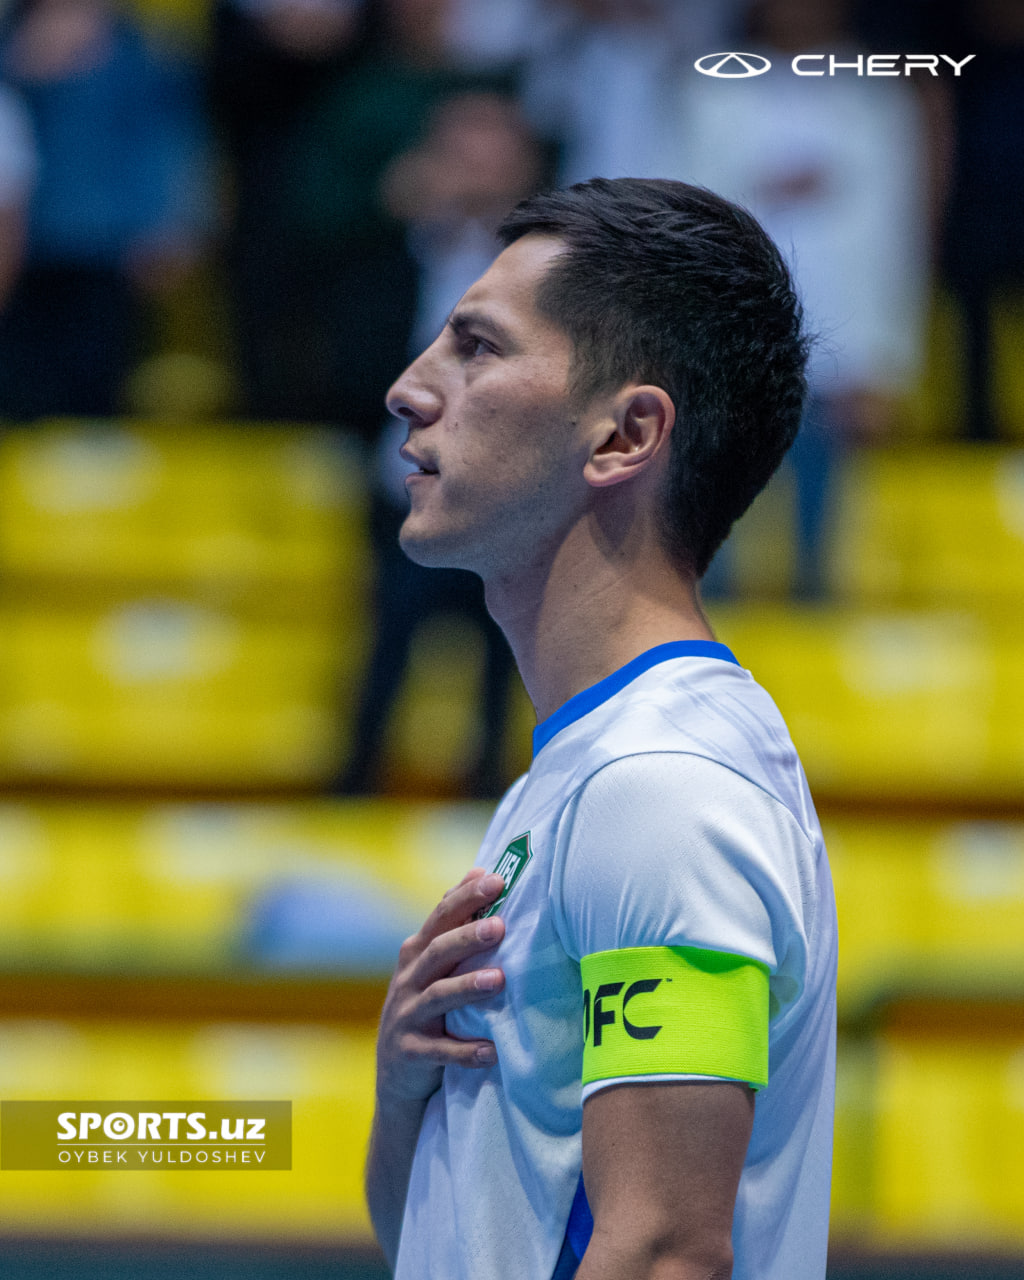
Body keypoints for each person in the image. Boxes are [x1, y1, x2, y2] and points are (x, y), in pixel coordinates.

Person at [365, 178, 837, 1280]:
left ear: (625, 433)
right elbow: (443, 1238)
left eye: (476, 347)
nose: (407, 388)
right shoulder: (581, 771)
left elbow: (667, 1249)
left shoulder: (663, 783)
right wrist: (405, 1092)